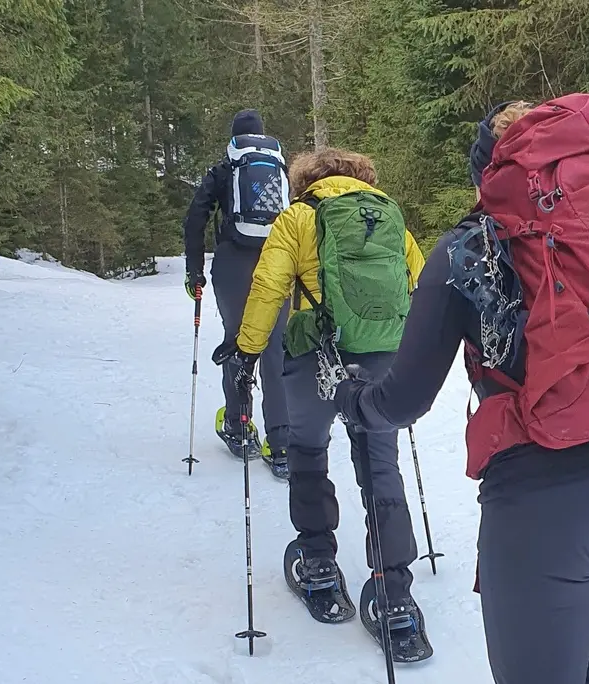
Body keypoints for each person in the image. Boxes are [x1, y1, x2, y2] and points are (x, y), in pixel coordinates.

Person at [333, 94, 589, 683]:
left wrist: (348, 396)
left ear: (488, 173)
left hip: (549, 501)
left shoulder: (472, 247)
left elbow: (402, 402)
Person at [212, 147, 433, 662]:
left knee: (308, 451)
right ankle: (395, 594)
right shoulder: (389, 217)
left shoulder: (298, 218)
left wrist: (246, 352)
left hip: (315, 355)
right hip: (381, 359)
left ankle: (317, 564)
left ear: (306, 180)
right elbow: (419, 284)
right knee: (381, 464)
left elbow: (268, 288)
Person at [182, 108, 291, 479]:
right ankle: (281, 446)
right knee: (276, 347)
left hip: (232, 265)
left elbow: (195, 218)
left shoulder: (223, 170)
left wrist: (194, 270)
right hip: (277, 263)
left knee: (238, 342)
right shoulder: (280, 169)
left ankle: (239, 426)